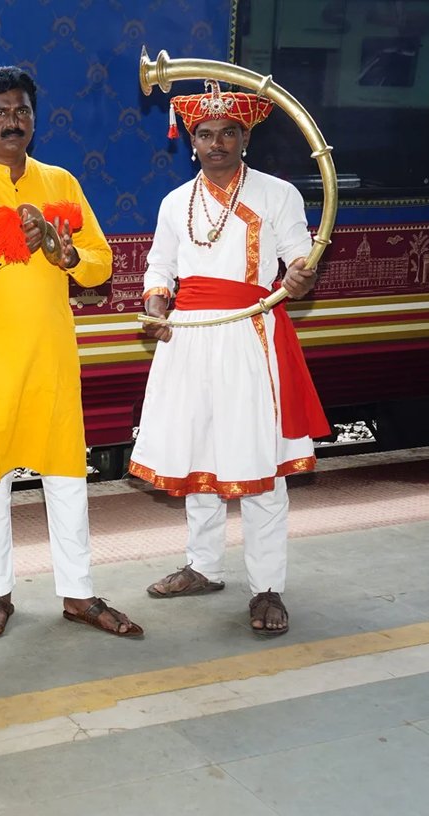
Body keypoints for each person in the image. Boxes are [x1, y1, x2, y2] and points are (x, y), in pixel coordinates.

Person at [0, 66, 143, 641]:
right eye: (0, 112)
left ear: (33, 119)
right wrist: (4, 249)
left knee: (67, 474)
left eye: (22, 110)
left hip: (50, 353)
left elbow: (101, 264)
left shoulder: (62, 183)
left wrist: (69, 258)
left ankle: (77, 591)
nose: (13, 121)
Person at [130, 81, 329, 637]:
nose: (215, 143)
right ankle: (203, 566)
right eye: (204, 134)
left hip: (249, 335)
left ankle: (267, 587)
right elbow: (158, 269)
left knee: (257, 465)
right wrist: (154, 304)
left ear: (245, 137)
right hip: (188, 337)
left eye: (227, 133)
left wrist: (298, 277)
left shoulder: (278, 195)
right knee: (200, 453)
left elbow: (298, 264)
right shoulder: (175, 202)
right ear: (191, 141)